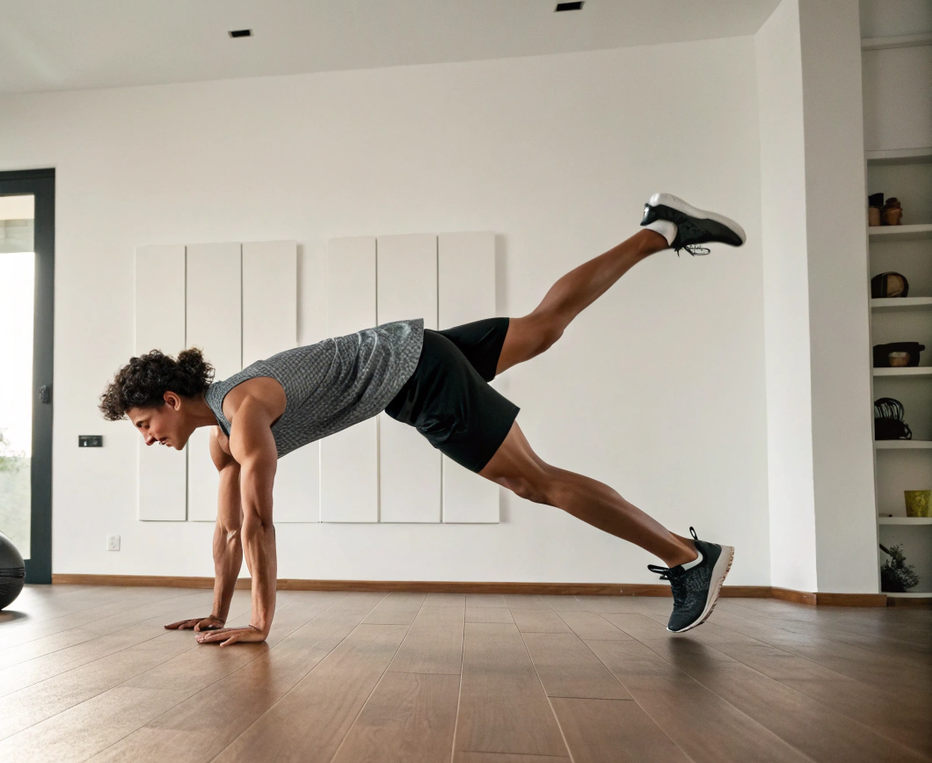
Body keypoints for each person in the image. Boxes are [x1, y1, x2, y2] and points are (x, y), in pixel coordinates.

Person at [98, 193, 743, 645]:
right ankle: (659, 229)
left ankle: (690, 559)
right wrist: (214, 613)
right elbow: (230, 532)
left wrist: (260, 624)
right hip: (412, 349)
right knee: (543, 328)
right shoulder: (222, 442)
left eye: (143, 423)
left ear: (172, 401)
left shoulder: (244, 417)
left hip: (418, 378)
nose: (147, 438)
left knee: (534, 481)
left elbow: (261, 524)